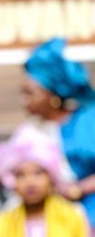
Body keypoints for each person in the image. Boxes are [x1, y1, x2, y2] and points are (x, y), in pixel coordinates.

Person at [20, 37, 95, 226]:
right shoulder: (30, 131)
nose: (24, 101)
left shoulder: (87, 120)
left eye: (31, 93)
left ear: (52, 96)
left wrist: (80, 188)